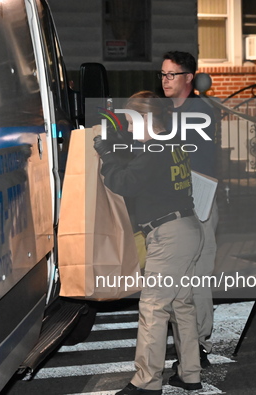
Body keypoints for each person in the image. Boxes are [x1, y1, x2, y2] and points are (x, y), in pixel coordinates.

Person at [94, 91, 204, 394]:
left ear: (146, 119)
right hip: (186, 229)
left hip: (169, 236)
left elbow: (126, 182)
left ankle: (146, 382)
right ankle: (190, 374)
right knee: (181, 305)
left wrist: (106, 155)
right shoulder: (170, 143)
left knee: (154, 308)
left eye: (130, 122)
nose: (128, 128)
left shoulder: (155, 149)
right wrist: (117, 144)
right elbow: (141, 160)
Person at [159, 51, 217, 367]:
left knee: (199, 275)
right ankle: (183, 338)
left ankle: (199, 342)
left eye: (171, 74)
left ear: (188, 78)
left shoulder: (201, 112)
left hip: (198, 201)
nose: (165, 80)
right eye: (163, 74)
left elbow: (199, 160)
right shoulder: (161, 112)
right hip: (170, 205)